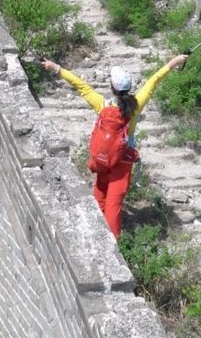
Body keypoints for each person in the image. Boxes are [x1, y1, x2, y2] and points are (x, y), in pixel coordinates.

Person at [40, 54, 189, 239]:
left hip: (103, 158)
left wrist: (56, 68)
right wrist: (174, 62)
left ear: (112, 87)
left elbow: (81, 86)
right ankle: (112, 244)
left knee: (100, 193)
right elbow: (154, 81)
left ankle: (93, 233)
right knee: (114, 204)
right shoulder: (135, 106)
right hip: (122, 162)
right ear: (129, 88)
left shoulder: (103, 105)